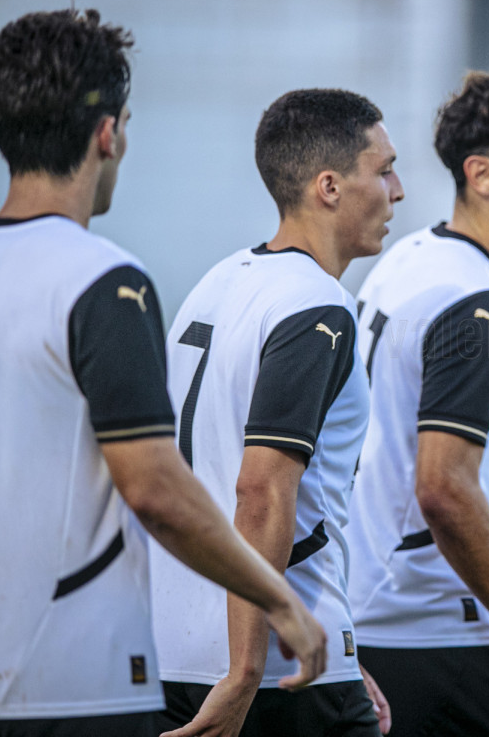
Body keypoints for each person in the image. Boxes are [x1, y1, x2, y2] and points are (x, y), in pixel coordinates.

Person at [0, 9, 327, 737]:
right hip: (78, 682)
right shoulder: (104, 282)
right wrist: (279, 599)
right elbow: (156, 490)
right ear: (107, 134)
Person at [149, 89, 402, 737]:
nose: (397, 191)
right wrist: (245, 670)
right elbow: (260, 490)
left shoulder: (216, 282)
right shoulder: (315, 304)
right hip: (271, 667)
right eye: (384, 171)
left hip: (175, 647)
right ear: (329, 187)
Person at [345, 60, 489, 737]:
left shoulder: (412, 256)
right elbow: (443, 488)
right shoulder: (474, 298)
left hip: (372, 606)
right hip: (425, 628)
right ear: (482, 176)